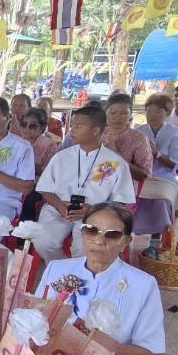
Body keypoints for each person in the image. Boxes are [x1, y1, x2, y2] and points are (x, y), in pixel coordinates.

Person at [34, 204, 164, 355]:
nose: (98, 240)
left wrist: (99, 354)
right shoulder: (57, 269)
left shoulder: (143, 284)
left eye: (111, 234)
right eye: (91, 230)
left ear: (126, 241)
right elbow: (36, 322)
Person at [32, 105, 136, 260]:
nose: (71, 130)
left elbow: (121, 201)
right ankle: (62, 274)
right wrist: (60, 206)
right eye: (72, 125)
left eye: (78, 126)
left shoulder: (114, 162)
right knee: (43, 241)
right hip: (59, 210)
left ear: (95, 131)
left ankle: (78, 276)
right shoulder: (62, 157)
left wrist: (93, 210)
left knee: (84, 248)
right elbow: (45, 189)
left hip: (97, 214)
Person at [134, 93, 178, 241]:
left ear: (167, 113)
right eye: (149, 110)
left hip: (165, 176)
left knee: (162, 200)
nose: (152, 115)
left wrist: (157, 155)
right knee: (130, 196)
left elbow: (177, 162)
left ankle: (156, 239)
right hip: (141, 174)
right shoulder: (139, 130)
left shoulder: (175, 132)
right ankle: (131, 232)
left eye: (158, 111)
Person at [100, 93, 153, 184]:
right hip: (94, 184)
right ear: (105, 114)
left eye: (123, 113)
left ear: (130, 115)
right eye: (113, 113)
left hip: (126, 187)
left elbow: (145, 176)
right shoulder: (96, 134)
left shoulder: (139, 138)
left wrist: (116, 156)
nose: (118, 117)